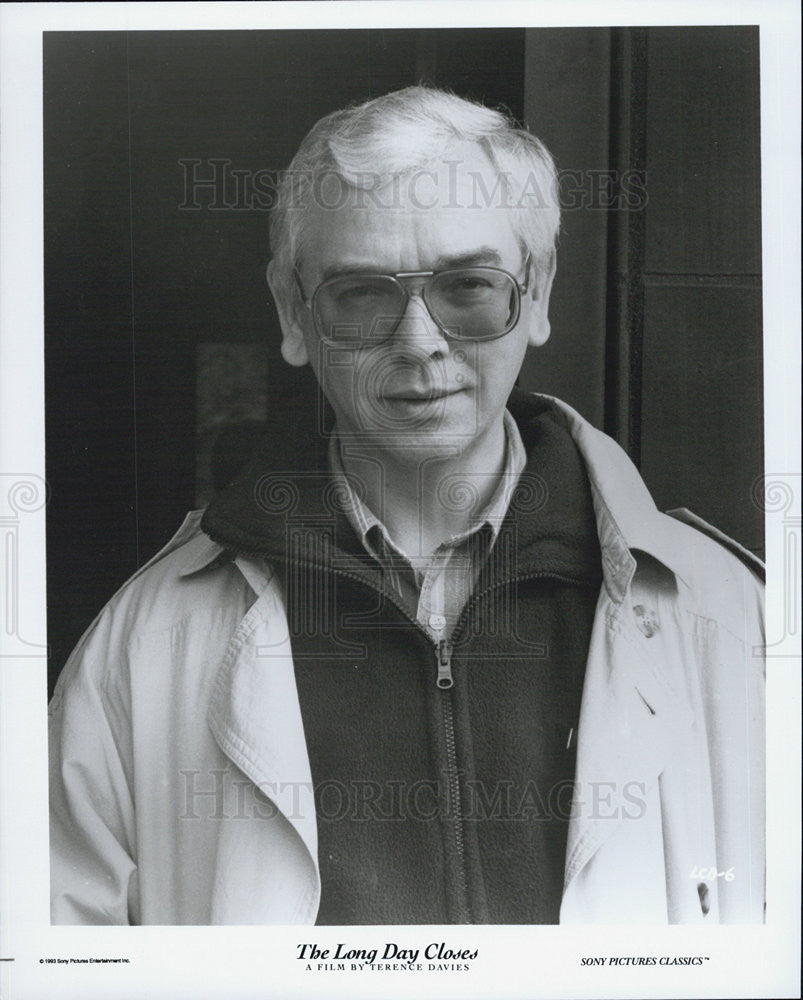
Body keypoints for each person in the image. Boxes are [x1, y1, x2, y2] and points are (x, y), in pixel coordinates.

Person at [49, 86, 764, 926]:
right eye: (361, 294)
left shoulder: (728, 620)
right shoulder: (146, 642)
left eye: (468, 287)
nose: (420, 342)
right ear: (292, 312)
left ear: (535, 299)